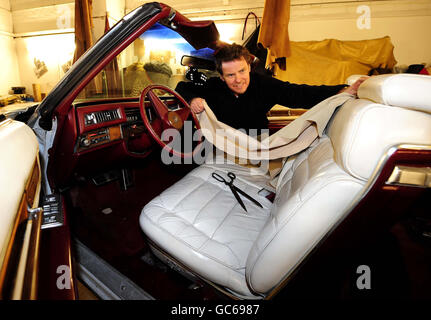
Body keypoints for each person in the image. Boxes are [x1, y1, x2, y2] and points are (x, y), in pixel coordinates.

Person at [175, 43, 366, 133]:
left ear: (249, 67)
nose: (238, 79)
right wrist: (193, 100)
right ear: (222, 77)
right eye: (230, 75)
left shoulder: (264, 85)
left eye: (242, 71)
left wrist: (342, 91)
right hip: (221, 148)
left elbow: (300, 93)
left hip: (256, 146)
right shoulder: (212, 86)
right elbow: (182, 87)